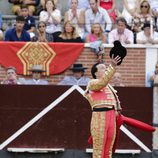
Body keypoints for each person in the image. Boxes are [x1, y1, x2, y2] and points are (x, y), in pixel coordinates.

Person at [84, 56, 122, 158]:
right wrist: (112, 66)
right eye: (102, 68)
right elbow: (102, 82)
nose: (105, 69)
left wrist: (117, 112)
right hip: (99, 117)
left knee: (108, 150)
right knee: (99, 150)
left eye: (105, 68)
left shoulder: (109, 87)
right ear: (95, 73)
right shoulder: (92, 83)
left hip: (111, 118)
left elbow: (116, 102)